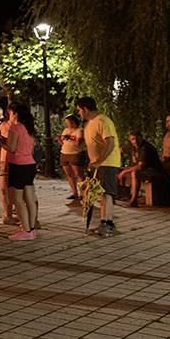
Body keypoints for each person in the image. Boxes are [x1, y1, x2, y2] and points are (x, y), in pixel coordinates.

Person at [76, 96, 120, 237]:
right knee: (100, 193)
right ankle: (107, 223)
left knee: (106, 193)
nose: (79, 113)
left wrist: (99, 161)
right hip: (97, 164)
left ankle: (106, 224)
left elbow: (110, 143)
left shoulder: (103, 121)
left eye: (79, 110)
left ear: (85, 109)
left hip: (107, 162)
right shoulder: (88, 124)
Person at [0, 103, 38, 240]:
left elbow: (11, 148)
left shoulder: (15, 127)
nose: (9, 117)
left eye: (10, 114)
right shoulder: (28, 128)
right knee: (29, 198)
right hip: (30, 164)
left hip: (18, 165)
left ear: (15, 114)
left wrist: (0, 141)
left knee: (16, 199)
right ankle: (31, 229)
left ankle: (26, 230)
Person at [119, 131, 166, 206]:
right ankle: (113, 197)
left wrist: (125, 171)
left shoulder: (146, 148)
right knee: (116, 170)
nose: (135, 141)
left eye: (137, 138)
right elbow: (119, 150)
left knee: (134, 172)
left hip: (153, 171)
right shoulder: (131, 146)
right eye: (133, 139)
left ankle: (134, 201)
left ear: (141, 138)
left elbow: (140, 166)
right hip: (141, 170)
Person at [57, 114, 87, 201]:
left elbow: (78, 143)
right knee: (69, 174)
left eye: (68, 122)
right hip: (65, 153)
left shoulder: (79, 131)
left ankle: (82, 193)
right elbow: (63, 143)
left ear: (73, 122)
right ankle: (74, 193)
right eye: (66, 123)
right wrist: (59, 139)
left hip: (76, 154)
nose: (67, 124)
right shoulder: (66, 130)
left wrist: (69, 138)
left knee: (79, 174)